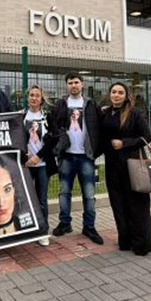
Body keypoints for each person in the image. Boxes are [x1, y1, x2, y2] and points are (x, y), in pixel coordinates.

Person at [49, 72, 104, 245]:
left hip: (86, 156)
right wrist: (58, 147)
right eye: (70, 83)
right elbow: (53, 126)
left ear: (82, 84)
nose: (73, 85)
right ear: (67, 85)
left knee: (89, 194)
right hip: (66, 156)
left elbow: (99, 128)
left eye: (76, 82)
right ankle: (65, 223)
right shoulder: (60, 104)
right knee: (64, 192)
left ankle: (89, 226)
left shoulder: (91, 104)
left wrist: (95, 151)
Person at [100, 82, 151, 256]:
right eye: (113, 92)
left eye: (120, 92)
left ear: (126, 96)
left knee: (137, 204)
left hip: (132, 164)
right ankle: (125, 240)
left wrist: (124, 143)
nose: (116, 95)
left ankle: (141, 243)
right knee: (118, 204)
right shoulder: (106, 113)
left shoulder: (134, 113)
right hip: (112, 165)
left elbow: (146, 136)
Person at [23, 85, 57, 247]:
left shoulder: (47, 116)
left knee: (41, 198)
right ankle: (28, 229)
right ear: (27, 97)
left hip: (42, 164)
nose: (34, 98)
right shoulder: (21, 116)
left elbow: (54, 139)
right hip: (26, 165)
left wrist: (38, 156)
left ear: (42, 99)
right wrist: (24, 156)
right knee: (25, 198)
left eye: (37, 95)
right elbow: (15, 138)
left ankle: (43, 231)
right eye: (31, 95)